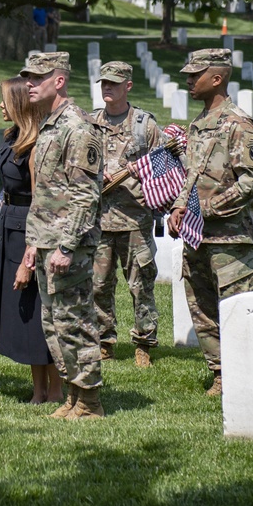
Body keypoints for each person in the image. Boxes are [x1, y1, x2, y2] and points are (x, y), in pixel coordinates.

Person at [167, 48, 253, 397]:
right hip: (197, 238)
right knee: (202, 309)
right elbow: (191, 176)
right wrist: (180, 208)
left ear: (218, 77)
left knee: (238, 311)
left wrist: (208, 209)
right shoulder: (197, 125)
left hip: (232, 238)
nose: (189, 80)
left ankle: (246, 377)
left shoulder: (239, 124)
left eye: (196, 74)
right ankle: (221, 375)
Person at [20, 51, 106, 420]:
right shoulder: (50, 124)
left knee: (75, 321)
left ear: (59, 81)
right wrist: (34, 245)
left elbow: (86, 195)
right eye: (27, 77)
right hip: (46, 242)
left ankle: (90, 400)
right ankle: (73, 395)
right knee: (54, 323)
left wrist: (67, 245)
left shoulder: (77, 126)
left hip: (67, 246)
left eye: (37, 78)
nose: (28, 84)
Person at [0, 77, 60, 404]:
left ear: (19, 103)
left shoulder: (36, 147)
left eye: (5, 100)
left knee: (43, 310)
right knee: (26, 313)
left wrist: (29, 258)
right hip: (11, 228)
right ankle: (39, 389)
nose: (0, 106)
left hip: (33, 232)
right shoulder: (13, 137)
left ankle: (57, 389)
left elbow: (40, 201)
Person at [91, 61, 163, 368]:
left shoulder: (144, 125)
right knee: (97, 285)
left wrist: (130, 174)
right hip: (99, 220)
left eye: (114, 83)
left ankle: (144, 343)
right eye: (104, 83)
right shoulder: (90, 122)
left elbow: (163, 168)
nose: (107, 88)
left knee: (140, 284)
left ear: (128, 86)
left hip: (135, 221)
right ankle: (104, 340)